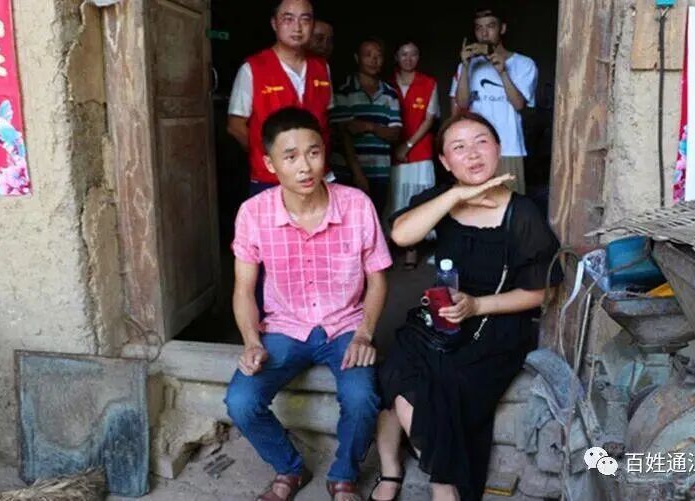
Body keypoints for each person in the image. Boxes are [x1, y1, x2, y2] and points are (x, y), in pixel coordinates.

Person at [369, 111, 563, 501]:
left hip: (495, 324)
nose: (472, 154)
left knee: (445, 385)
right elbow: (402, 234)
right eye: (458, 148)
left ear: (498, 149)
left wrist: (477, 305)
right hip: (439, 318)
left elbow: (543, 292)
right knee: (395, 369)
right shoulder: (442, 200)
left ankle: (441, 484)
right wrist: (456, 195)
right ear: (445, 161)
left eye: (481, 142)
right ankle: (394, 470)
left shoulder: (522, 213)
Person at [225, 107, 392, 501]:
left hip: (346, 324)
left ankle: (344, 474)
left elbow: (377, 279)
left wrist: (365, 333)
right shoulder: (253, 213)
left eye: (313, 153)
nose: (305, 166)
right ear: (270, 164)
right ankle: (289, 467)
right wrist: (251, 342)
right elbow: (243, 289)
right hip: (285, 327)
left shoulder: (356, 205)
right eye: (290, 156)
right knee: (241, 401)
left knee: (362, 398)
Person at [227, 0, 334, 198]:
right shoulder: (253, 68)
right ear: (274, 24)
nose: (297, 27)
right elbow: (236, 126)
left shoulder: (322, 68)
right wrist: (271, 156)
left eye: (305, 19)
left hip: (317, 177)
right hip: (270, 179)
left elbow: (325, 118)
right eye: (288, 19)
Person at [449, 7, 537, 195]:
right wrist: (465, 67)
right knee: (476, 205)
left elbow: (519, 105)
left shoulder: (524, 64)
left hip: (509, 148)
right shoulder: (466, 66)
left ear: (502, 29)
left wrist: (503, 72)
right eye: (479, 28)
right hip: (474, 149)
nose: (484, 33)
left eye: (490, 26)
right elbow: (462, 104)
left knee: (510, 204)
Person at [330, 37, 402, 218]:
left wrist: (368, 126)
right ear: (357, 58)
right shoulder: (344, 90)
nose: (373, 60)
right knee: (347, 222)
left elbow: (395, 134)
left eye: (378, 56)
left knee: (374, 221)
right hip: (347, 172)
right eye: (368, 55)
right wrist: (358, 174)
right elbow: (344, 134)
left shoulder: (390, 93)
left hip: (380, 172)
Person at [390, 40, 440, 269]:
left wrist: (407, 145)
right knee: (394, 198)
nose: (408, 59)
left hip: (419, 151)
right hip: (391, 151)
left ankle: (412, 248)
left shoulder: (428, 83)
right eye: (404, 54)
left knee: (417, 200)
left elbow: (429, 119)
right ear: (396, 57)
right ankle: (391, 243)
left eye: (414, 54)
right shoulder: (387, 83)